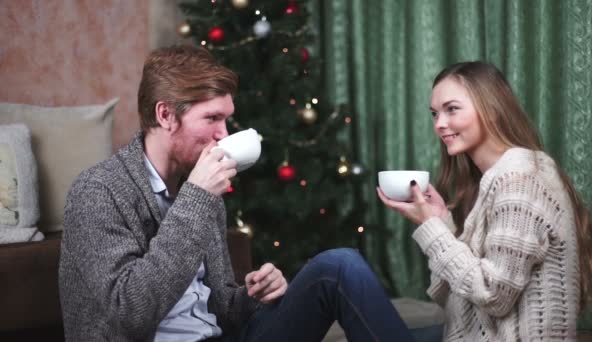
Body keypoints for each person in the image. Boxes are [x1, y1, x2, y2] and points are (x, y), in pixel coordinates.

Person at [58, 44, 415, 342]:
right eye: (212, 119)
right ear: (166, 115)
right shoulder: (98, 191)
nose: (223, 134)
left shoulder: (199, 187)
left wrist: (251, 296)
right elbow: (130, 314)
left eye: (226, 120)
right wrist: (196, 197)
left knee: (339, 266)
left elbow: (221, 310)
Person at [377, 61, 592, 341]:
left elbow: (493, 294)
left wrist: (430, 227)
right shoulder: (502, 176)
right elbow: (457, 292)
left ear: (491, 108)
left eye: (452, 109)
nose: (439, 124)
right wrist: (441, 222)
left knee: (338, 270)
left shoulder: (520, 180)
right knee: (338, 271)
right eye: (435, 114)